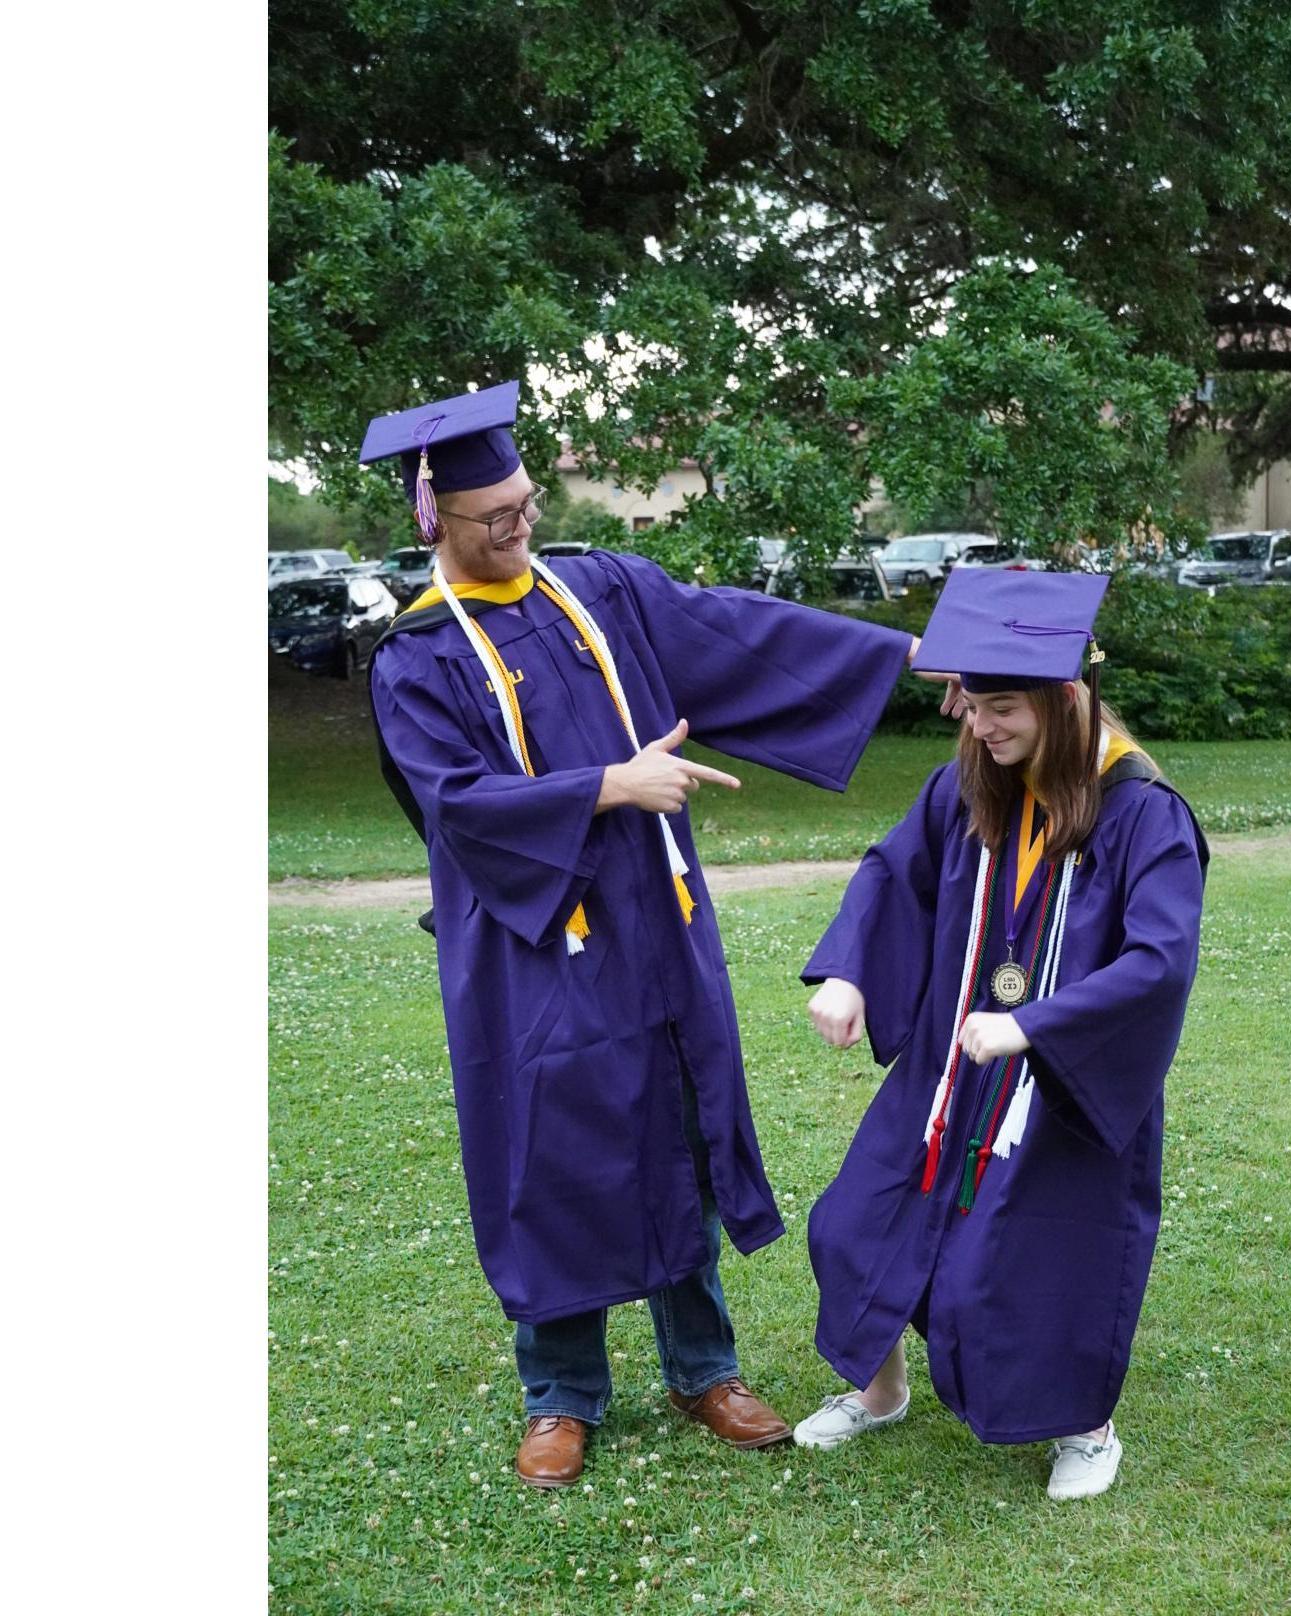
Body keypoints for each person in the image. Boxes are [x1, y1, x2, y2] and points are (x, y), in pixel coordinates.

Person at [359, 382, 925, 1489]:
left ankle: (703, 1366)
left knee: (678, 1122)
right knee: (547, 1144)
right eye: (494, 516)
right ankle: (561, 1392)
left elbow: (735, 628)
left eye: (525, 501)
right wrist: (612, 781)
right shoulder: (414, 658)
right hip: (530, 941)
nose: (520, 524)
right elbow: (453, 803)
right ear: (435, 519)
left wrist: (900, 656)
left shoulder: (599, 589)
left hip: (654, 921)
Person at [792, 568, 1209, 1500]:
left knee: (1020, 1268)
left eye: (1004, 709)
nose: (982, 727)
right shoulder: (970, 786)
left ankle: (1086, 1430)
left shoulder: (1143, 811)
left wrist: (1035, 1027)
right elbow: (893, 871)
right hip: (957, 1065)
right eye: (973, 708)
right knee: (852, 1223)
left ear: (1066, 698)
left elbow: (1159, 960)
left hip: (1062, 1087)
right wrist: (854, 971)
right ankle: (881, 1389)